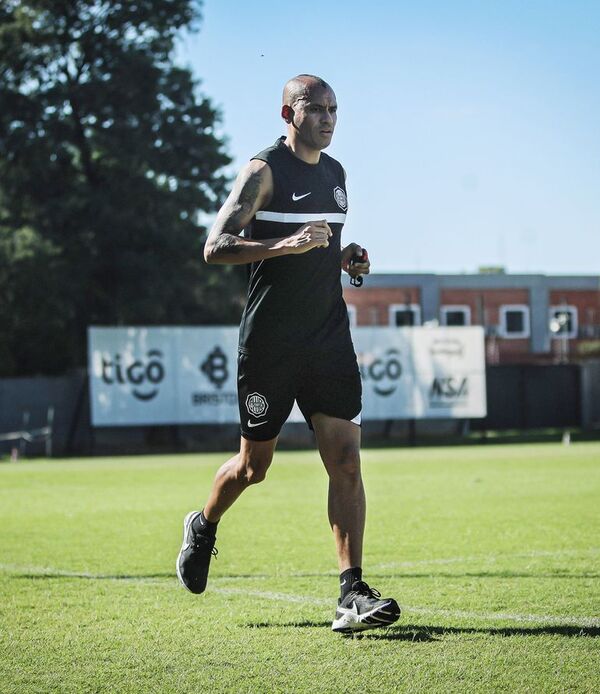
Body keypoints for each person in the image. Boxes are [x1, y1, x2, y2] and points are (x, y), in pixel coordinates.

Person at [177, 74, 400, 633]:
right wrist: (283, 244)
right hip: (270, 345)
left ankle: (351, 596)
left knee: (346, 458)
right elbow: (215, 246)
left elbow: (316, 248)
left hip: (327, 336)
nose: (327, 117)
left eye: (333, 109)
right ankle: (203, 524)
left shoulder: (336, 174)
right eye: (315, 108)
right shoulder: (263, 171)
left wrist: (345, 256)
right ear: (287, 113)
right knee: (255, 467)